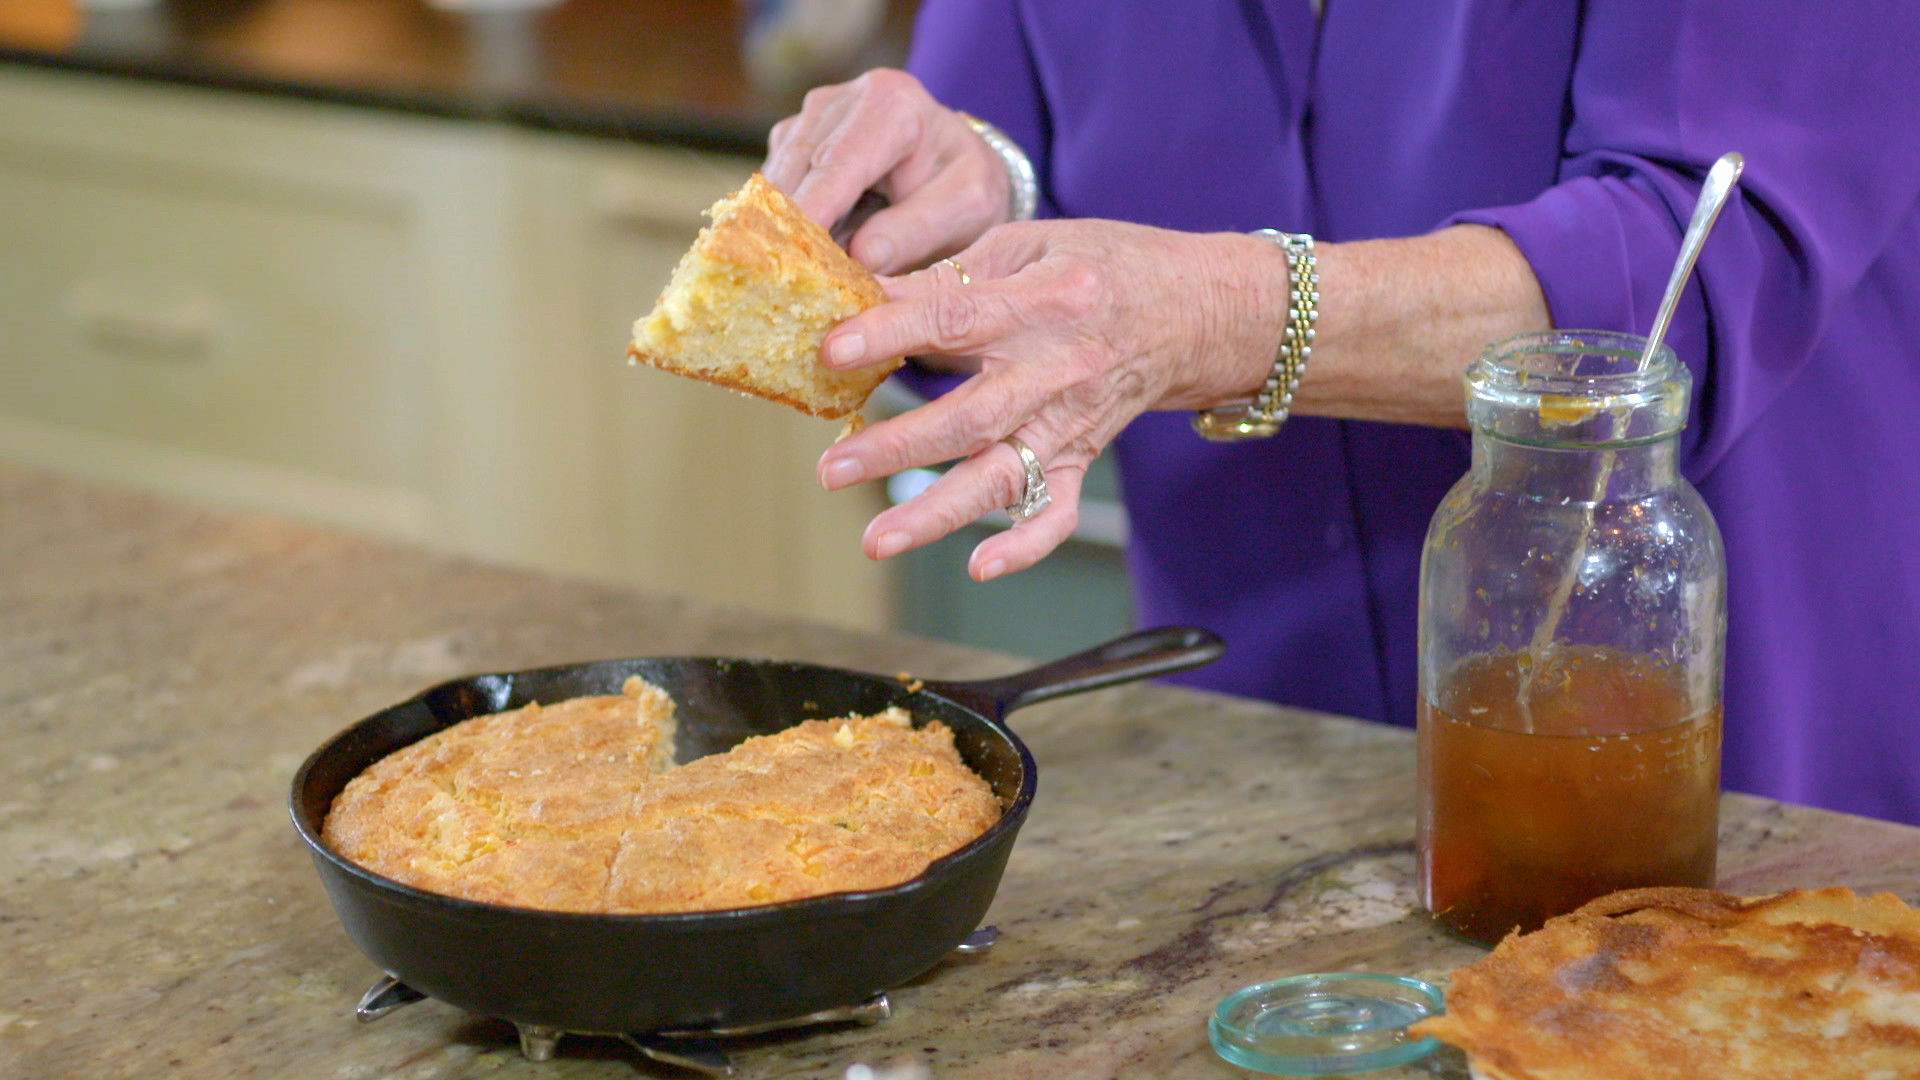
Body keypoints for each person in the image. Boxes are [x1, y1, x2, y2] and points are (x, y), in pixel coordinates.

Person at [759, 2, 1920, 825]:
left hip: (1724, 740)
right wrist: (942, 201)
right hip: (1256, 749)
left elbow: (1690, 264)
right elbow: (1007, 168)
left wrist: (1213, 317)